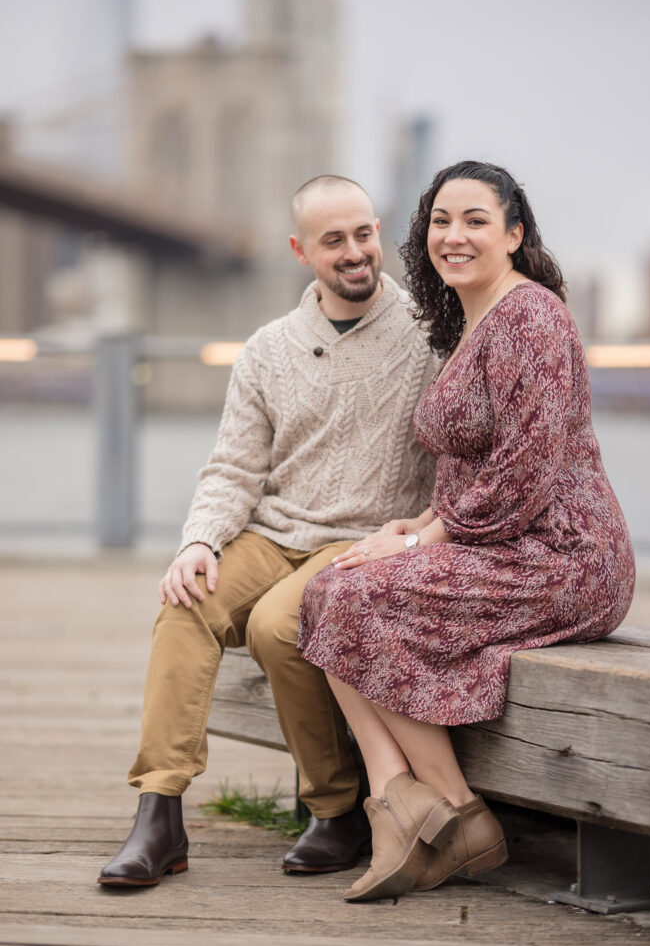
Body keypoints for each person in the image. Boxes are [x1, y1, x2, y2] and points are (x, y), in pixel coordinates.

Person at [298, 160, 636, 903]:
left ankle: (456, 814)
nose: (452, 236)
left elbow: (525, 470)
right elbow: (472, 460)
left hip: (565, 555)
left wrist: (420, 545)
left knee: (358, 600)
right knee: (329, 590)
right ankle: (400, 803)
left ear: (514, 234)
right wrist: (417, 521)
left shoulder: (530, 315)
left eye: (475, 221)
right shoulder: (471, 319)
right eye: (439, 222)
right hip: (498, 540)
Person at [98, 175, 439, 887]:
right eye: (333, 240)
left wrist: (423, 537)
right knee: (186, 601)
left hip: (363, 539)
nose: (354, 253)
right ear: (300, 250)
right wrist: (198, 542)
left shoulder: (427, 337)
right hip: (272, 532)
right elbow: (232, 468)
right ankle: (158, 814)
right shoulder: (266, 349)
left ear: (379, 233)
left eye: (364, 234)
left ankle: (334, 808)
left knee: (276, 626)